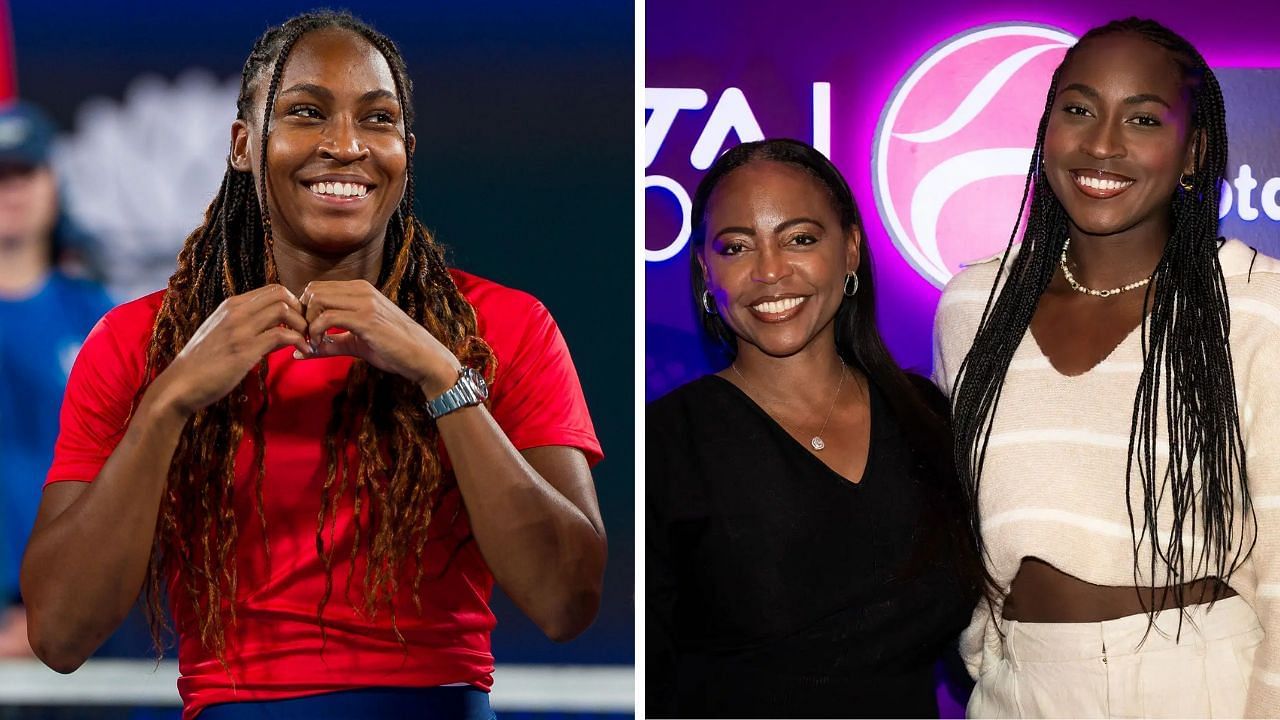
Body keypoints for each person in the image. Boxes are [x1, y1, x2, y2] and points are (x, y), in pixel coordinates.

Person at [19, 11, 606, 720]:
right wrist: (169, 402)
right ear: (244, 145)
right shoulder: (139, 342)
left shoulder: (503, 329)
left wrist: (443, 377)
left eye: (378, 119)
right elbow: (58, 633)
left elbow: (566, 601)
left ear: (405, 151)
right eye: (306, 112)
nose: (346, 145)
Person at [935, 17, 1280, 717]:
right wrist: (990, 651)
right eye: (1079, 109)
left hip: (1196, 682)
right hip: (1019, 687)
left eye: (1144, 119)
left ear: (1194, 152)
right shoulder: (974, 306)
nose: (1101, 143)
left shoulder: (1254, 306)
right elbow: (960, 522)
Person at [646, 138, 978, 718]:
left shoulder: (926, 415)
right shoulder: (667, 444)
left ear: (850, 249)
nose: (770, 271)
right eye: (736, 246)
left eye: (800, 238)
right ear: (705, 268)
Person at [0, 100, 115, 657]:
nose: (11, 191)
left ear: (53, 184)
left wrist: (61, 608)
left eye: (25, 172)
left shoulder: (98, 319)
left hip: (76, 615)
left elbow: (125, 473)